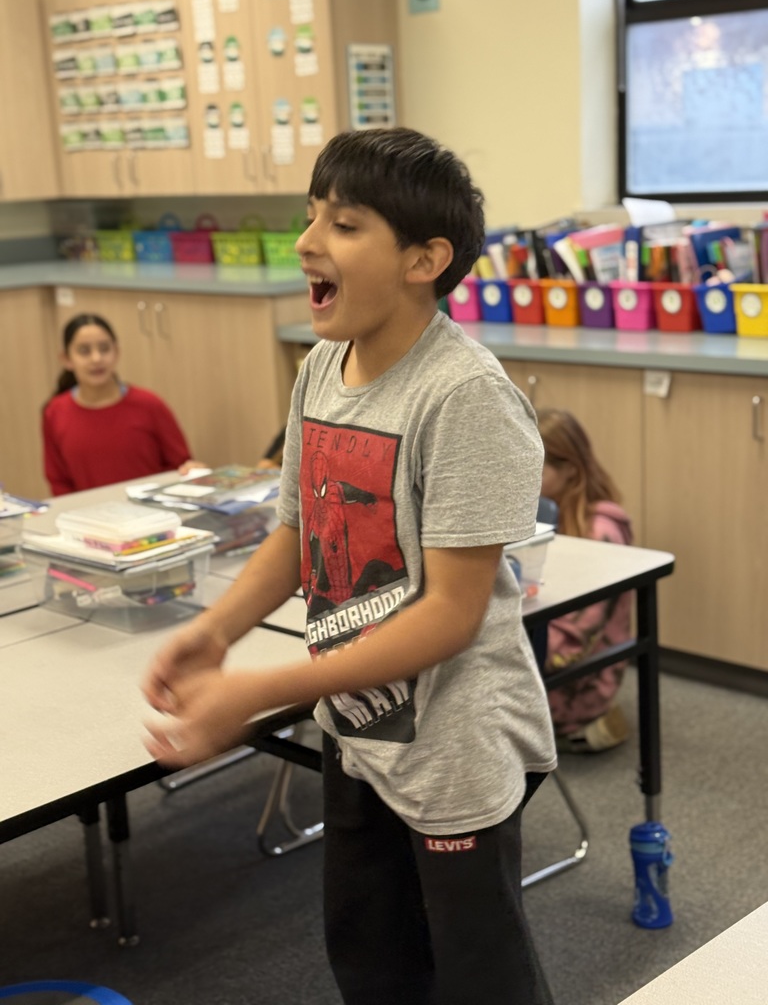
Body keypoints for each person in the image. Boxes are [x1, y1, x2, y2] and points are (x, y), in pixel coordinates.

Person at [142, 127, 556, 1005]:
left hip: (454, 748)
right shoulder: (321, 370)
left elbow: (450, 614)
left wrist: (256, 691)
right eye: (310, 216)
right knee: (370, 961)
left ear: (424, 259)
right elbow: (296, 533)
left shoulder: (465, 396)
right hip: (358, 733)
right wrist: (212, 633)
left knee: (479, 979)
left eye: (345, 222)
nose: (306, 242)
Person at [538, 407, 634, 753]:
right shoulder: (543, 510)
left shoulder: (602, 532)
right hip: (545, 649)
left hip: (579, 679)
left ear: (570, 471)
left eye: (537, 464)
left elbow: (575, 639)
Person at [43, 314, 203, 495]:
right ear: (66, 359)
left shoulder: (149, 404)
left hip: (152, 515)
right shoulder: (55, 412)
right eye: (84, 351)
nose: (96, 358)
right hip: (88, 517)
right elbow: (58, 481)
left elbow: (181, 467)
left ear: (117, 352)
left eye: (104, 349)